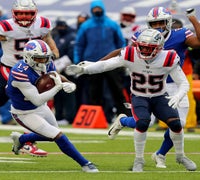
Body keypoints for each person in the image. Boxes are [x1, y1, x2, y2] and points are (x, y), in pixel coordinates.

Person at [66, 28, 196, 172]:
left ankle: (180, 156)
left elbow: (183, 83)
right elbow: (106, 65)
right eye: (142, 47)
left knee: (176, 124)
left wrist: (178, 95)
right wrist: (85, 70)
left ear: (159, 48)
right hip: (140, 96)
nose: (145, 51)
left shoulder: (168, 58)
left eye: (149, 48)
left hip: (160, 96)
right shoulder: (130, 54)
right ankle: (139, 160)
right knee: (142, 123)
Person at [100, 7, 200, 170]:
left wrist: (193, 19)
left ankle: (160, 154)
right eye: (154, 23)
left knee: (178, 124)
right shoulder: (142, 36)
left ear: (169, 22)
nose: (158, 26)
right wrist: (97, 63)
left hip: (175, 84)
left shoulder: (180, 34)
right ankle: (124, 121)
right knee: (144, 120)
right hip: (150, 85)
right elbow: (125, 53)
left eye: (161, 22)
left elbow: (199, 43)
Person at [0, 0, 59, 157]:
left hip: (31, 69)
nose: (24, 17)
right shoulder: (7, 27)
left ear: (35, 13)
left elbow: (47, 36)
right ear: (13, 14)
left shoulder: (42, 23)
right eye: (20, 13)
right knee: (32, 102)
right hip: (9, 69)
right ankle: (27, 143)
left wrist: (54, 49)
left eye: (28, 13)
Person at [6, 39, 98, 173]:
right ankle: (85, 163)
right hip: (24, 112)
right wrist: (57, 88)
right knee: (58, 135)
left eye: (45, 58)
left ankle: (22, 139)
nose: (43, 62)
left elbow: (55, 76)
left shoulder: (47, 64)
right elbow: (36, 100)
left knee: (52, 135)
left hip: (41, 107)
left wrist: (70, 83)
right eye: (38, 58)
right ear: (28, 57)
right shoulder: (20, 72)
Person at [73, 0, 130, 123]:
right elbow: (79, 45)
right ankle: (98, 119)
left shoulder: (111, 24)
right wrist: (78, 60)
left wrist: (123, 58)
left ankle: (124, 116)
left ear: (103, 9)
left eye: (98, 8)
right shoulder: (86, 26)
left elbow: (121, 43)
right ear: (91, 10)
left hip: (112, 62)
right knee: (94, 92)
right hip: (93, 63)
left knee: (117, 90)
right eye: (94, 9)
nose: (97, 11)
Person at [51, 18, 77, 125]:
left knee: (68, 93)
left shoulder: (71, 37)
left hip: (67, 69)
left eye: (62, 26)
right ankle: (59, 116)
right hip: (57, 70)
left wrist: (58, 66)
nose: (61, 28)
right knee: (57, 93)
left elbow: (71, 55)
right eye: (59, 26)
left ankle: (69, 117)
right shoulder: (56, 36)